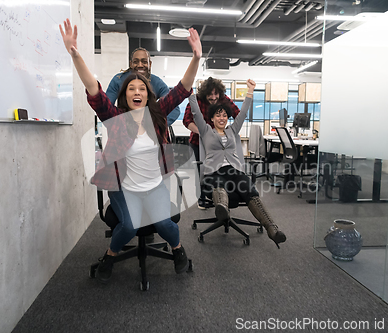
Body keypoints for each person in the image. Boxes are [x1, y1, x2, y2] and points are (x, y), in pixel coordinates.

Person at [59, 19, 202, 282]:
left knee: (165, 225)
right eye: (131, 89)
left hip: (154, 186)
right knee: (127, 224)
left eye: (142, 89)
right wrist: (76, 55)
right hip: (124, 188)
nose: (137, 92)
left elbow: (182, 90)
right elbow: (95, 91)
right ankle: (110, 256)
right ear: (125, 96)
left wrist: (196, 58)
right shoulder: (115, 119)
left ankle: (178, 249)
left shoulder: (157, 115)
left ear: (148, 95)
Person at [188, 79, 287, 249]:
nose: (222, 118)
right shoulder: (206, 131)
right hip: (214, 171)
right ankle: (222, 210)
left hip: (233, 170)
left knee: (249, 189)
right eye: (218, 115)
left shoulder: (233, 130)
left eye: (224, 115)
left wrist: (250, 91)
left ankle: (272, 228)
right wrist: (190, 94)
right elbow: (196, 113)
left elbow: (242, 113)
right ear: (211, 118)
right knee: (219, 184)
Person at [182, 77, 240, 209]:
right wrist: (203, 133)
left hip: (219, 145)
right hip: (197, 141)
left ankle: (220, 198)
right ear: (204, 93)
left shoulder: (224, 100)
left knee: (219, 170)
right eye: (210, 94)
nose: (213, 97)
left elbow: (238, 114)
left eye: (216, 94)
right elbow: (186, 120)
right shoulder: (196, 100)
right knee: (200, 171)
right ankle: (201, 198)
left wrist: (229, 132)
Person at [106, 47, 180, 126]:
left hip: (148, 131)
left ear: (150, 64)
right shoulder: (118, 80)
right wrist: (117, 127)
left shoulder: (157, 83)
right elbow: (106, 107)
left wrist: (158, 127)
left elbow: (175, 109)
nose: (140, 65)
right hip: (124, 130)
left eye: (144, 61)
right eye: (136, 61)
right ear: (131, 64)